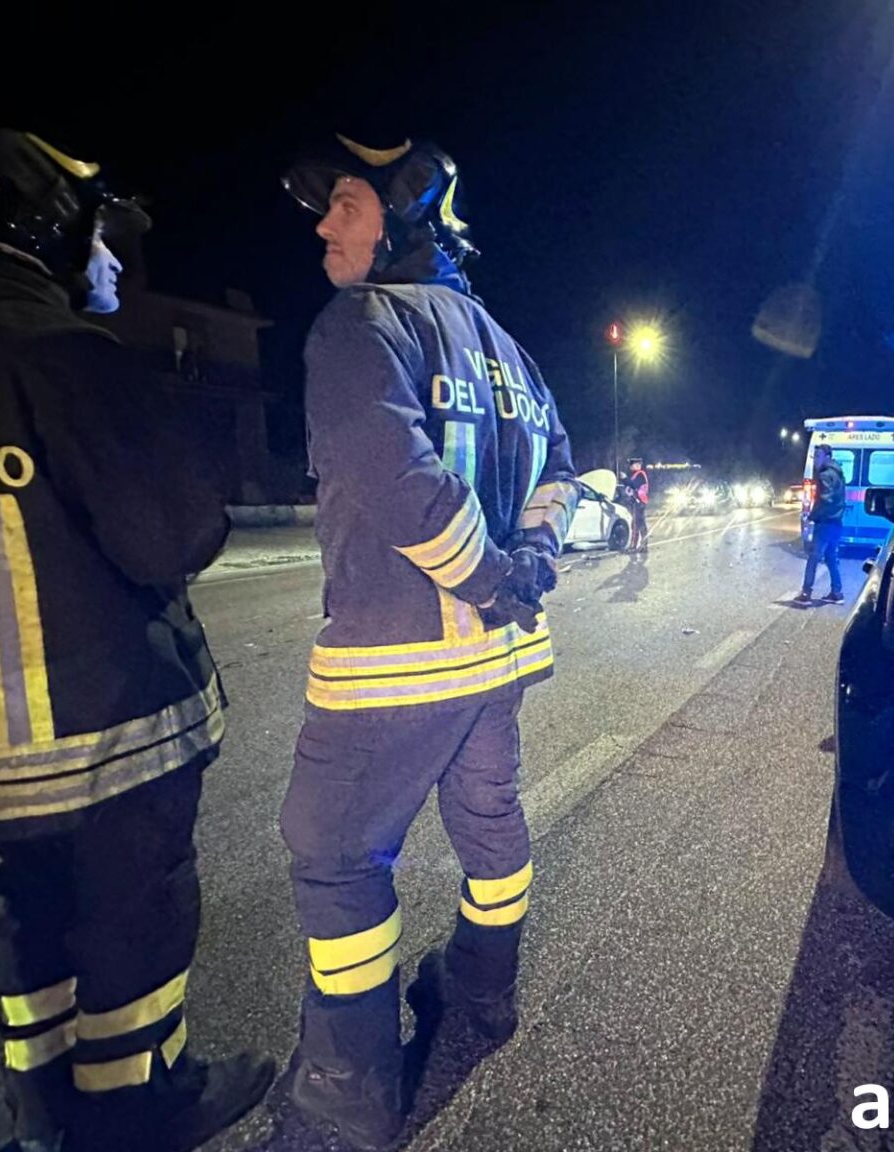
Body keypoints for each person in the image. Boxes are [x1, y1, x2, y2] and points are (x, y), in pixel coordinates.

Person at [0, 118, 274, 1152]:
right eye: (100, 237)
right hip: (102, 719)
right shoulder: (52, 342)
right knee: (133, 913)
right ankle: (138, 1104)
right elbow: (174, 533)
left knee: (30, 910)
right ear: (42, 223)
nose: (110, 261)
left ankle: (42, 1115)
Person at [279, 132, 579, 1150]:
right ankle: (483, 994)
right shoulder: (512, 352)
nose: (325, 226)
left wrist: (492, 577)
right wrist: (528, 564)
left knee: (334, 857)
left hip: (393, 669)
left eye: (347, 205)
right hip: (499, 668)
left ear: (404, 217)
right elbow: (562, 474)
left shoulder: (360, 325)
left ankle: (349, 1089)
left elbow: (400, 483)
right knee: (490, 827)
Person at [798, 443, 846, 604]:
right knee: (831, 557)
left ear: (827, 457)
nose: (815, 460)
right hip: (836, 523)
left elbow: (826, 499)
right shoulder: (838, 473)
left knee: (814, 557)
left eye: (818, 456)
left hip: (825, 523)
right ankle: (837, 593)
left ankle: (806, 594)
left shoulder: (825, 475)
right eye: (814, 456)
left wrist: (812, 516)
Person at [623, 457, 649, 549]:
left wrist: (625, 478)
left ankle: (634, 546)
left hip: (638, 502)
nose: (631, 467)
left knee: (636, 525)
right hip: (639, 502)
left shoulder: (640, 474)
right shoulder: (636, 475)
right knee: (640, 524)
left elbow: (633, 485)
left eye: (632, 465)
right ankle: (643, 545)